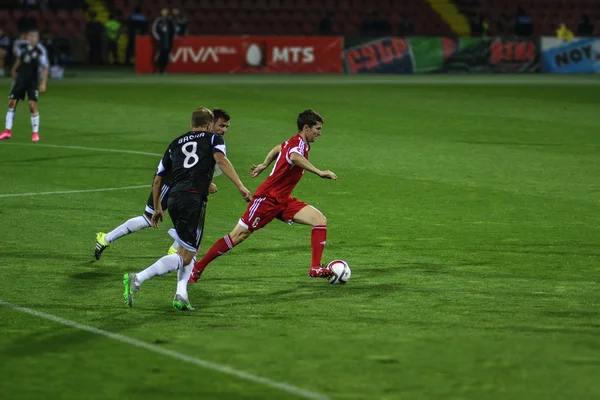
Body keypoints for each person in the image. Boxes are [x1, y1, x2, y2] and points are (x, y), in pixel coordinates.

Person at [122, 107, 251, 311]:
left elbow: (157, 180)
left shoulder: (175, 144)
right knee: (186, 255)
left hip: (173, 197)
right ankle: (137, 279)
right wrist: (241, 186)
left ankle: (181, 294)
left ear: (191, 124)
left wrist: (157, 208)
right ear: (209, 125)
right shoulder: (213, 138)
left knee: (189, 247)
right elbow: (221, 160)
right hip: (193, 200)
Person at [189, 109, 338, 284]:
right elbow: (293, 156)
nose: (319, 133)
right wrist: (319, 172)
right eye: (317, 129)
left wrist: (264, 164)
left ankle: (315, 267)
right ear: (306, 127)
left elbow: (278, 148)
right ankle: (197, 268)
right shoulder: (297, 146)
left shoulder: (298, 142)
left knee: (319, 220)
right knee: (238, 236)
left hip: (283, 200)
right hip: (267, 199)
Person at [95, 109, 232, 260]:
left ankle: (175, 252)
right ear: (210, 124)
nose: (224, 130)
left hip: (185, 185)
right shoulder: (207, 139)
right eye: (221, 126)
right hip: (171, 182)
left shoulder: (208, 139)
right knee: (149, 218)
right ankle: (106, 239)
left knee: (190, 218)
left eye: (226, 127)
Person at [0, 29, 49, 142]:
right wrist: (13, 70)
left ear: (38, 38)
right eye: (31, 36)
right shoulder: (23, 48)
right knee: (12, 103)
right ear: (27, 38)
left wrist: (43, 83)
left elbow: (45, 67)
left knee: (32, 106)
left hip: (32, 82)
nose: (33, 38)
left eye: (35, 36)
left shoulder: (40, 51)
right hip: (20, 81)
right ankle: (7, 131)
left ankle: (35, 133)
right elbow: (20, 60)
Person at [152, 8, 175, 74]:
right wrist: (158, 38)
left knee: (166, 56)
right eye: (163, 12)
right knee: (159, 55)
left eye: (166, 12)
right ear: (161, 13)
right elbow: (154, 30)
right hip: (161, 42)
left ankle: (164, 69)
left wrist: (172, 38)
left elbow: (173, 31)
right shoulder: (158, 20)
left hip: (168, 42)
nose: (164, 13)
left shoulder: (170, 21)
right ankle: (158, 69)